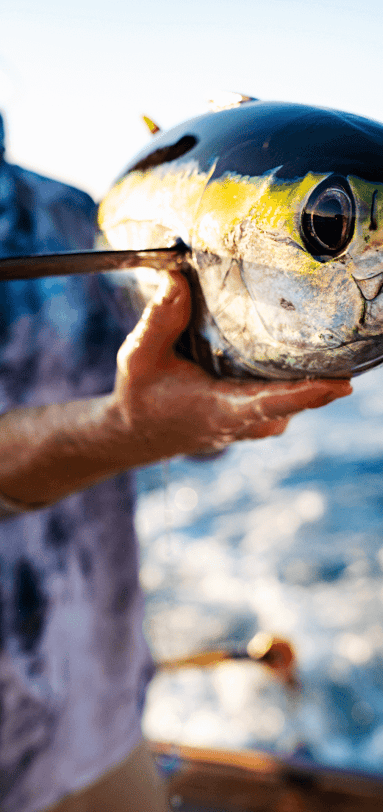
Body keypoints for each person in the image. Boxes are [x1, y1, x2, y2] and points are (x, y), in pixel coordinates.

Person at [0, 112, 352, 812]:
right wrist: (124, 433)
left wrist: (224, 391)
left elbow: (183, 424)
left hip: (98, 720)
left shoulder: (80, 217)